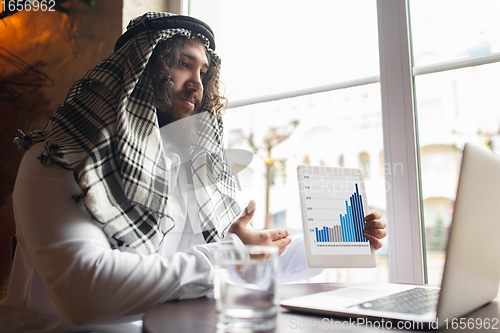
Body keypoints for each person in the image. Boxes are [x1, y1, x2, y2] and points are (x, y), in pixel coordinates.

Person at [0, 12, 386, 333]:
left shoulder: (194, 173)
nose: (197, 84)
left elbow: (257, 251)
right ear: (139, 71)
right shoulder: (58, 160)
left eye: (204, 71)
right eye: (184, 64)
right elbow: (86, 294)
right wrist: (230, 253)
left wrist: (342, 241)